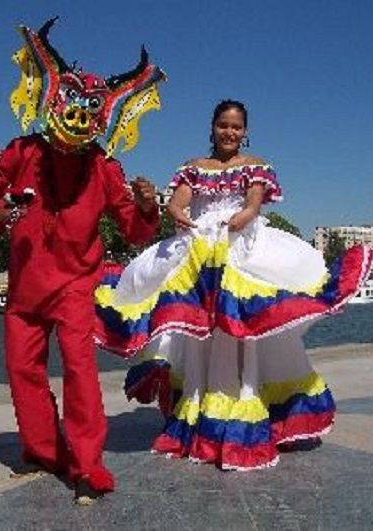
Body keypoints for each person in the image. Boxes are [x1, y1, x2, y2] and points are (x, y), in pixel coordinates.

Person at [95, 99, 372, 470]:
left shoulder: (254, 166)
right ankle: (204, 411)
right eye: (223, 125)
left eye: (236, 126)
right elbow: (178, 203)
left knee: (244, 332)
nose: (230, 132)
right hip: (199, 254)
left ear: (245, 131)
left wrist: (242, 217)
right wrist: (178, 214)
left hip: (240, 251)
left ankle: (250, 408)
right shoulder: (193, 168)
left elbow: (253, 204)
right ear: (212, 127)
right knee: (201, 336)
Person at [0, 19, 165, 503]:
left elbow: (135, 231)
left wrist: (148, 205)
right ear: (51, 99)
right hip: (24, 288)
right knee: (22, 370)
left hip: (76, 285)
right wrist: (1, 211)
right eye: (69, 102)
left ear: (102, 118)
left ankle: (87, 466)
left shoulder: (104, 166)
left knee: (79, 370)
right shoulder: (20, 151)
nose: (75, 114)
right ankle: (43, 452)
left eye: (87, 109)